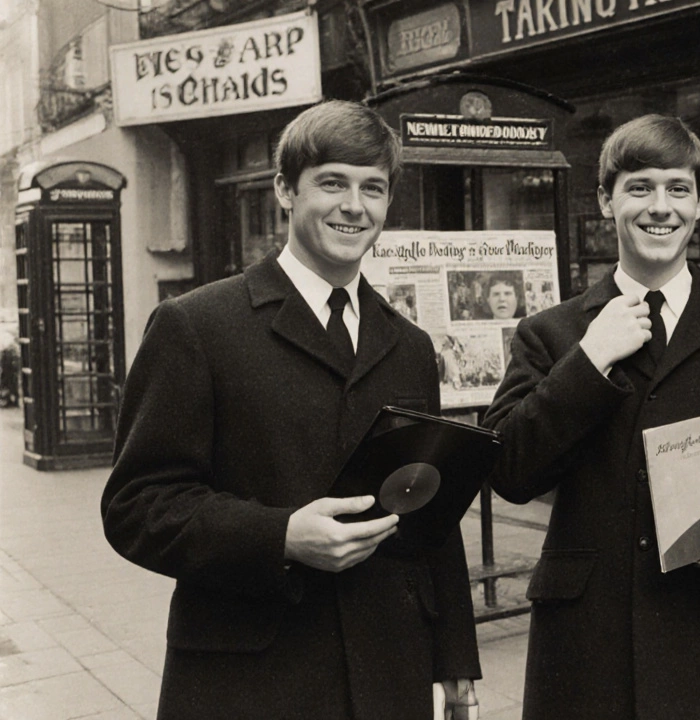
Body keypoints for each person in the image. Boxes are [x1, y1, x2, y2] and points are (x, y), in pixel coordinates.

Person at [101, 100, 481, 720]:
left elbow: (428, 508)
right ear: (284, 189)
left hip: (389, 668)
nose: (353, 206)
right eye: (332, 182)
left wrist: (455, 657)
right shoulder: (197, 325)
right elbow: (136, 506)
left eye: (373, 188)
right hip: (253, 678)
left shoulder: (409, 345)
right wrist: (280, 536)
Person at [482, 114, 700, 719]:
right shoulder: (552, 333)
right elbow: (508, 469)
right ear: (606, 200)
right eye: (639, 187)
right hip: (586, 643)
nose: (661, 207)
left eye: (678, 189)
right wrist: (590, 359)